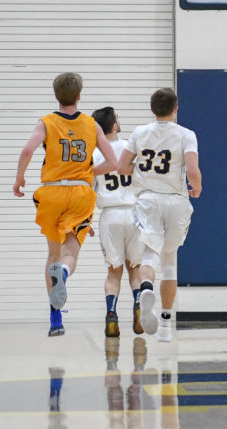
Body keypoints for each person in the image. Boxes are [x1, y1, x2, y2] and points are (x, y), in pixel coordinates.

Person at [13, 72, 118, 337]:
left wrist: (19, 178)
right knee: (70, 253)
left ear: (56, 96)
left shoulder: (46, 122)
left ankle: (55, 319)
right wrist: (87, 173)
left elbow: (27, 150)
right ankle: (64, 273)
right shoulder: (91, 124)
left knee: (53, 254)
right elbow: (113, 163)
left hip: (51, 192)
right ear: (79, 96)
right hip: (80, 193)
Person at [118, 88, 201, 342]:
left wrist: (141, 172)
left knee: (149, 254)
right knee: (170, 260)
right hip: (176, 201)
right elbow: (192, 170)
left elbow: (122, 167)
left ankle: (145, 289)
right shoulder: (186, 134)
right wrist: (197, 187)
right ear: (176, 109)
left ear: (152, 109)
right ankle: (165, 324)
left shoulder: (139, 132)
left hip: (148, 200)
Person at [92, 106, 144, 338]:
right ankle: (139, 305)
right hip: (134, 213)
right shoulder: (130, 149)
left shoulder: (94, 154)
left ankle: (111, 314)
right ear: (114, 125)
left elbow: (89, 191)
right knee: (135, 268)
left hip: (110, 215)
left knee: (114, 272)